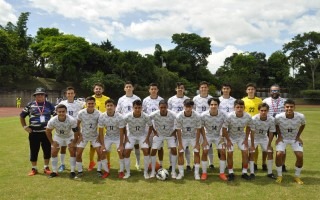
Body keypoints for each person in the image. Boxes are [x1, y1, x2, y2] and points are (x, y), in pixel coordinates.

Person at [20, 87, 55, 176]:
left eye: (41, 94)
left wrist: (53, 127)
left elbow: (56, 116)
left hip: (46, 133)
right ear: (35, 96)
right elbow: (22, 116)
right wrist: (25, 127)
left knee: (47, 150)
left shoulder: (49, 105)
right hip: (34, 133)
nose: (40, 96)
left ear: (45, 95)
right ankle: (34, 168)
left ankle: (46, 167)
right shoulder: (30, 105)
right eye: (38, 94)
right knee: (34, 150)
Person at [75, 96, 109, 179]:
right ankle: (80, 171)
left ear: (94, 104)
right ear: (86, 104)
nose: (90, 105)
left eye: (92, 103)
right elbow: (77, 124)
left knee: (100, 153)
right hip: (84, 136)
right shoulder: (81, 113)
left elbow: (102, 126)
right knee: (78, 153)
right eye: (89, 103)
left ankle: (99, 170)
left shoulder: (99, 113)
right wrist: (79, 135)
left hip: (94, 136)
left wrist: (99, 137)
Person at [275, 99, 305, 185]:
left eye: (291, 107)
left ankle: (297, 176)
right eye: (287, 107)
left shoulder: (300, 116)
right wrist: (279, 136)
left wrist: (298, 136)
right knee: (279, 154)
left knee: (300, 155)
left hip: (294, 138)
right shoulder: (278, 117)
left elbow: (303, 124)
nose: (289, 108)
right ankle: (279, 176)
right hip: (283, 138)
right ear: (284, 107)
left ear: (294, 107)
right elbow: (276, 125)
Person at [222, 99, 254, 181]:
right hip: (231, 137)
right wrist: (228, 140)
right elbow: (224, 129)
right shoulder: (229, 116)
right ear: (234, 108)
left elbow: (249, 127)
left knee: (245, 152)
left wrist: (246, 139)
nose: (239, 109)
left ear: (244, 108)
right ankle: (231, 172)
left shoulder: (248, 116)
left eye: (241, 107)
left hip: (241, 137)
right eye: (237, 107)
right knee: (229, 153)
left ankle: (244, 172)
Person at [45, 104, 79, 178]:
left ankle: (72, 171)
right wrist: (52, 142)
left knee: (72, 151)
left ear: (66, 111)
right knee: (53, 151)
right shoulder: (52, 120)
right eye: (59, 111)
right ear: (56, 112)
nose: (61, 113)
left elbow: (76, 132)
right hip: (58, 136)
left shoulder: (71, 120)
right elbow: (47, 131)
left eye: (63, 111)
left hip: (69, 136)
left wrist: (74, 142)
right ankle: (54, 171)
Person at [123, 100, 153, 179]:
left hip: (142, 135)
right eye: (135, 108)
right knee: (127, 151)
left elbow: (151, 126)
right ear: (132, 108)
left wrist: (147, 138)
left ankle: (145, 172)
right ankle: (128, 172)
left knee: (146, 150)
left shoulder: (145, 116)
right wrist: (126, 137)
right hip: (131, 135)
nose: (137, 109)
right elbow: (122, 126)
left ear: (142, 108)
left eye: (139, 108)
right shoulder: (127, 116)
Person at [57, 86, 85, 172]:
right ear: (66, 94)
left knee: (75, 147)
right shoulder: (62, 103)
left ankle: (77, 163)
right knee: (63, 147)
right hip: (65, 128)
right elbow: (57, 114)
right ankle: (62, 164)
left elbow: (87, 109)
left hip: (75, 128)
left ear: (74, 94)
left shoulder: (80, 103)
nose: (70, 95)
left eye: (72, 93)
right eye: (68, 93)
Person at [116, 81, 142, 170]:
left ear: (133, 88)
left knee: (136, 145)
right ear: (124, 88)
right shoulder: (121, 99)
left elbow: (140, 111)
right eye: (126, 87)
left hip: (135, 124)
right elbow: (118, 111)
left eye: (130, 86)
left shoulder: (137, 98)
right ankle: (124, 166)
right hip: (124, 124)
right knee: (124, 144)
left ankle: (138, 163)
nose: (128, 88)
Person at [176, 99, 204, 180]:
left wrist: (197, 143)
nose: (188, 109)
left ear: (192, 107)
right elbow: (178, 130)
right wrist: (180, 144)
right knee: (180, 153)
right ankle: (181, 173)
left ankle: (196, 173)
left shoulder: (197, 116)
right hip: (183, 137)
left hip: (194, 137)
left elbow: (198, 129)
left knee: (197, 152)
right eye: (186, 107)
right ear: (183, 106)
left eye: (190, 107)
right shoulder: (179, 116)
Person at [200, 97, 228, 181]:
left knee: (222, 152)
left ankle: (222, 173)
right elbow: (201, 128)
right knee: (205, 152)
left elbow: (225, 127)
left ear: (218, 105)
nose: (213, 106)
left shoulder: (223, 115)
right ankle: (204, 173)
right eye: (211, 104)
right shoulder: (203, 115)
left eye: (215, 104)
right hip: (207, 135)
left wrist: (222, 138)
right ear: (209, 105)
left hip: (218, 135)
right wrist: (204, 139)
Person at [98, 99, 126, 178]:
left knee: (120, 152)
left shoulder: (120, 117)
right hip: (108, 137)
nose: (109, 107)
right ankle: (106, 171)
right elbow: (101, 131)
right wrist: (102, 145)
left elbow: (121, 132)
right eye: (108, 106)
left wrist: (121, 145)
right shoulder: (102, 116)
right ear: (105, 107)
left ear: (115, 107)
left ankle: (121, 171)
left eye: (111, 106)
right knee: (102, 152)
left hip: (118, 137)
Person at [149, 100, 177, 178]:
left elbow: (179, 121)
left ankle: (174, 171)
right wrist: (154, 131)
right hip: (159, 135)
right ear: (159, 107)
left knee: (174, 150)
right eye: (161, 107)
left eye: (165, 107)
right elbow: (147, 120)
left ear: (167, 107)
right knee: (153, 150)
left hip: (169, 135)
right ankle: (153, 171)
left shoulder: (173, 114)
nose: (163, 109)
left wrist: (174, 131)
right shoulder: (154, 114)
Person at [263, 84, 287, 172]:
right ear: (270, 91)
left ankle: (283, 164)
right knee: (266, 144)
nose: (274, 92)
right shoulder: (265, 100)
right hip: (268, 126)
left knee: (282, 146)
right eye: (273, 90)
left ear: (279, 91)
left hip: (280, 126)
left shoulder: (284, 101)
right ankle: (263, 163)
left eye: (276, 90)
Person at [249, 103, 276, 179]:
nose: (263, 112)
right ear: (259, 111)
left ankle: (270, 173)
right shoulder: (254, 118)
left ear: (268, 111)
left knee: (270, 152)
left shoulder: (271, 119)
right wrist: (252, 145)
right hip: (254, 137)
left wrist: (269, 144)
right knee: (251, 152)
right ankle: (252, 173)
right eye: (262, 110)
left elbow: (271, 132)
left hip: (264, 137)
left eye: (265, 110)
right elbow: (252, 132)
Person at [168, 82, 190, 171]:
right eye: (178, 88)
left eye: (182, 87)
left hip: (185, 126)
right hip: (173, 126)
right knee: (172, 146)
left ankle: (188, 164)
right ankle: (171, 165)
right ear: (175, 89)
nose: (180, 89)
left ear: (184, 89)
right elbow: (168, 112)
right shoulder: (170, 100)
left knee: (186, 146)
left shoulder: (188, 99)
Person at [193, 81, 215, 169]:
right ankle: (195, 164)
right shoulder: (195, 99)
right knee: (196, 143)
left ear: (208, 88)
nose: (203, 89)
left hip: (209, 124)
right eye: (202, 87)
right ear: (199, 89)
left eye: (205, 87)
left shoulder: (211, 98)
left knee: (209, 144)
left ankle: (211, 163)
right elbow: (193, 110)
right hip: (198, 124)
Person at [88, 83, 110, 171]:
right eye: (96, 89)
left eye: (99, 89)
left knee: (105, 146)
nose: (98, 90)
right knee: (92, 146)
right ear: (94, 90)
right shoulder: (90, 99)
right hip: (93, 126)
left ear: (102, 90)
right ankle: (91, 162)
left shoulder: (107, 99)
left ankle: (108, 163)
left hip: (105, 126)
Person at [242, 83, 263, 171]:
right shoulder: (243, 100)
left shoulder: (260, 100)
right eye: (249, 89)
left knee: (255, 145)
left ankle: (254, 163)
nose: (251, 91)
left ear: (255, 90)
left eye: (252, 89)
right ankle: (245, 162)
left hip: (256, 125)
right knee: (245, 145)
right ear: (246, 91)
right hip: (245, 125)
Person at [142, 83, 164, 168]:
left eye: (155, 89)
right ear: (149, 90)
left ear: (157, 90)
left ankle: (161, 164)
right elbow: (143, 112)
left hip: (159, 126)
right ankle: (150, 164)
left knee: (160, 147)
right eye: (152, 89)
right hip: (149, 126)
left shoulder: (161, 99)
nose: (153, 90)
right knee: (149, 146)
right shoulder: (145, 100)